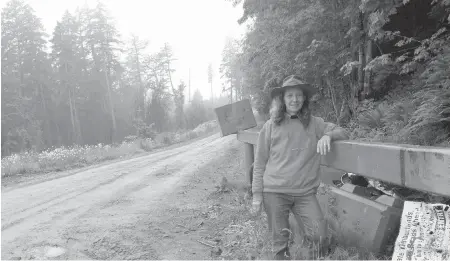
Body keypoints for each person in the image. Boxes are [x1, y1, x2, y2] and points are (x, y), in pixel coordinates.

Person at [251, 75, 349, 260]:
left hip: (304, 193)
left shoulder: (315, 123)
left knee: (319, 236)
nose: (294, 100)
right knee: (279, 242)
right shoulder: (270, 126)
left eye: (298, 95)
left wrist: (328, 136)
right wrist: (257, 195)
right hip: (275, 192)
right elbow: (259, 162)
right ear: (283, 99)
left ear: (304, 98)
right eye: (290, 96)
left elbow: (343, 130)